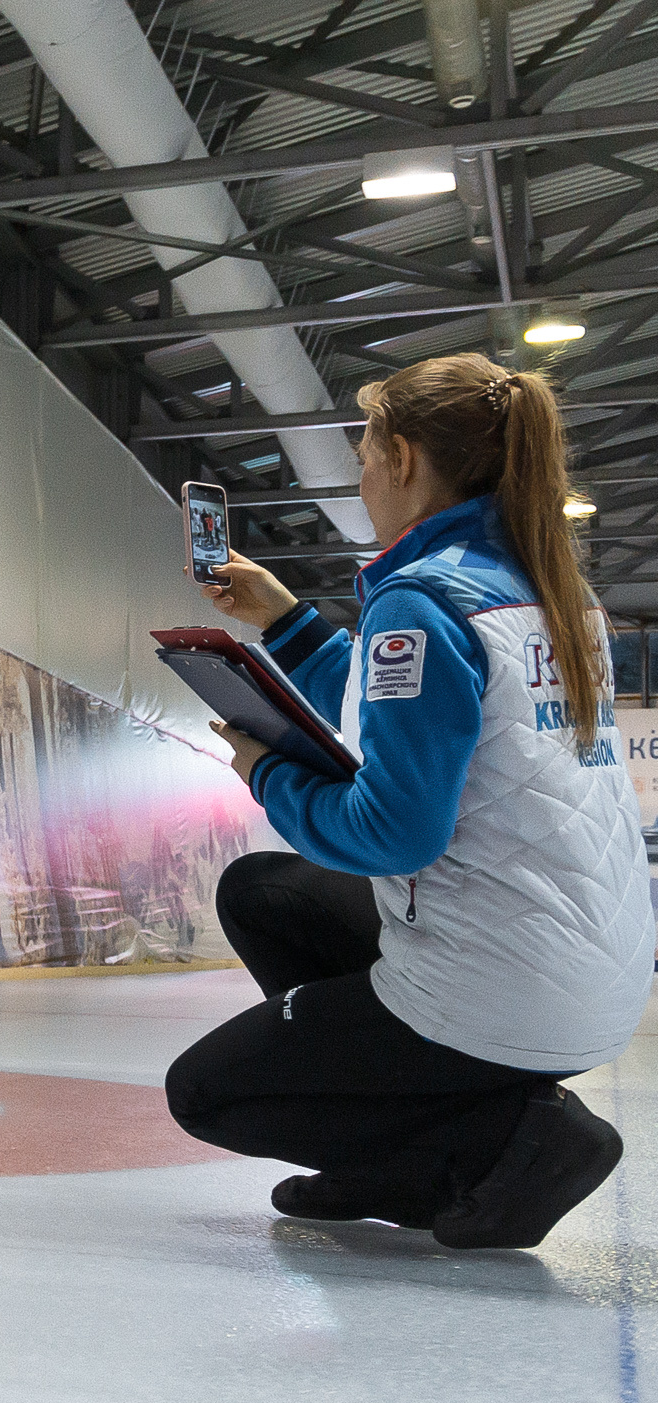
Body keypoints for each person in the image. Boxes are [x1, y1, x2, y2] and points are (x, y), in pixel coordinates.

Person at [165, 352, 650, 1249]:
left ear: (402, 460)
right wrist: (284, 620)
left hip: (505, 983)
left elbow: (392, 831)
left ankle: (497, 1146)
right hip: (593, 971)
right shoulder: (548, 589)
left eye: (362, 456)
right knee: (266, 891)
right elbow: (407, 715)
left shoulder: (422, 599)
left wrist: (264, 772)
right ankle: (429, 1130)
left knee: (206, 1092)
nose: (360, 477)